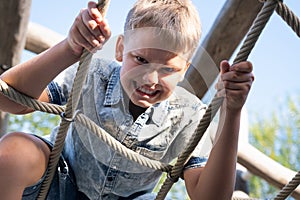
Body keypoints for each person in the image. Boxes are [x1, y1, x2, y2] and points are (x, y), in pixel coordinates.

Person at [0, 0, 254, 199]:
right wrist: (69, 48)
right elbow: (10, 100)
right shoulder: (94, 75)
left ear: (184, 69)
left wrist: (231, 112)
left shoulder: (190, 115)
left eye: (167, 69)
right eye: (141, 60)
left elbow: (208, 197)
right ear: (120, 49)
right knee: (16, 150)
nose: (150, 79)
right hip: (59, 180)